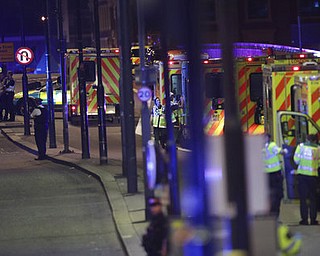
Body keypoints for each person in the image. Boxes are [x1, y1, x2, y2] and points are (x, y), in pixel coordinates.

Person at [293, 134, 320, 225]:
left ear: (307, 139)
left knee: (303, 199)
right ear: (315, 141)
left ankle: (304, 220)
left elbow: (296, 160)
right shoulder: (318, 149)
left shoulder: (301, 147)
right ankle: (313, 220)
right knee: (313, 199)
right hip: (313, 176)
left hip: (302, 176)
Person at [263, 133, 287, 218]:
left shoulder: (260, 147)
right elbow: (279, 151)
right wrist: (284, 151)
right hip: (274, 175)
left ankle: (271, 215)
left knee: (270, 196)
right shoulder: (271, 145)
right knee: (277, 195)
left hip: (267, 175)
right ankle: (274, 215)